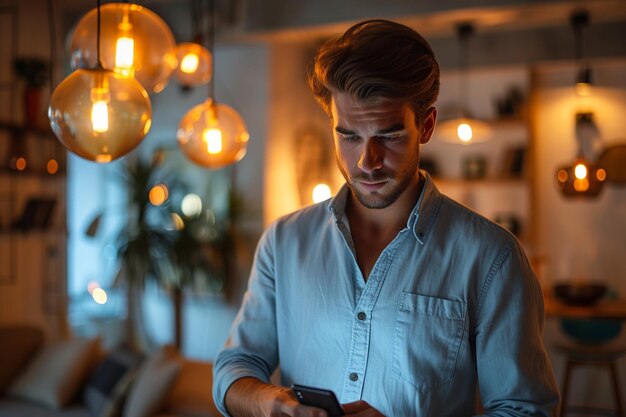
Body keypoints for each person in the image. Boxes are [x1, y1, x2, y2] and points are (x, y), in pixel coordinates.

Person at [213, 19, 559, 417]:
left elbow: (526, 410)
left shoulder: (492, 258)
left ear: (425, 126)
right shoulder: (283, 242)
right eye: (349, 136)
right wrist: (267, 402)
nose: (367, 162)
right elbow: (233, 367)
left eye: (389, 136)